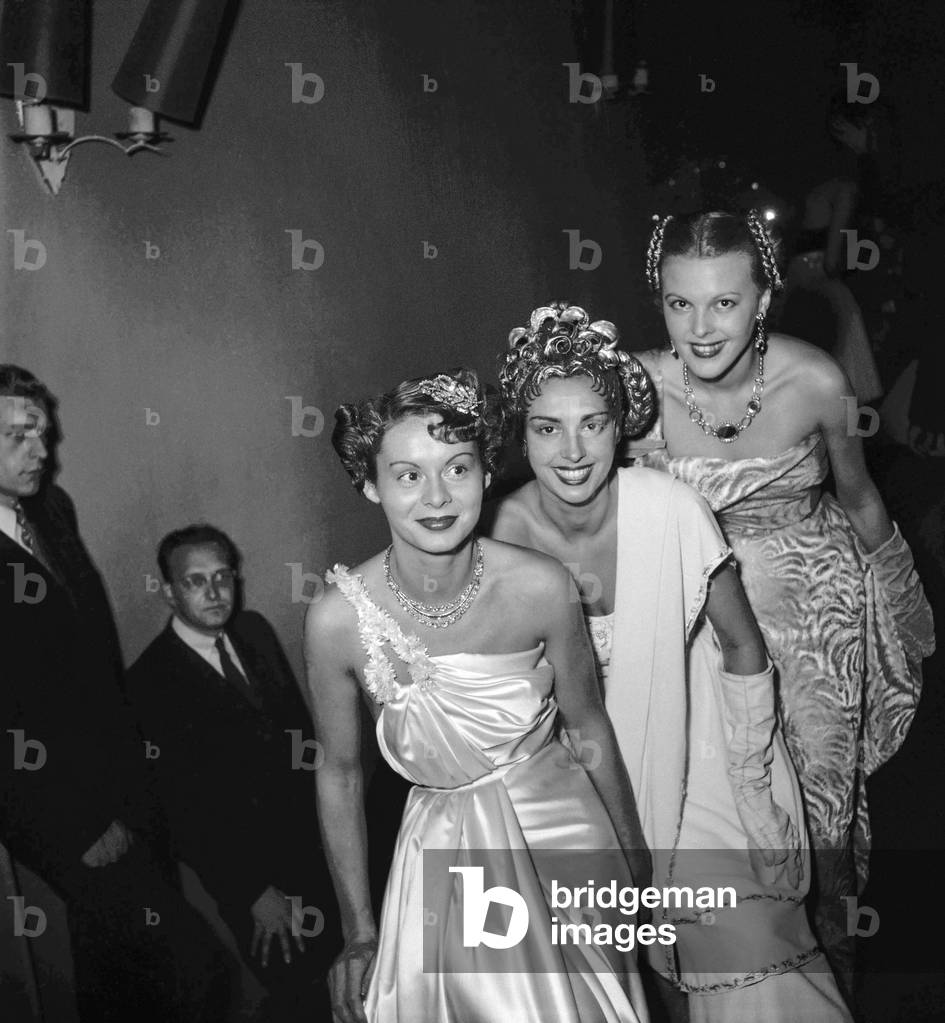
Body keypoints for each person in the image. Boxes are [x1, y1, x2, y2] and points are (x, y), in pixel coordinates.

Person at [491, 304, 852, 1023]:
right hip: (592, 778)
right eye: (546, 427)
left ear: (619, 423)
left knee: (741, 944)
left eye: (591, 422)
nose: (571, 450)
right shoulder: (506, 535)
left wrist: (753, 789)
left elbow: (743, 645)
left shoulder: (670, 506)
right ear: (519, 433)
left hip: (708, 753)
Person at [633, 210, 935, 1001]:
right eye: (678, 303)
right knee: (725, 832)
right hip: (701, 624)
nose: (699, 329)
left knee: (820, 826)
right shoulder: (633, 394)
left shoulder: (816, 382)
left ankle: (832, 988)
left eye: (724, 303)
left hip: (816, 620)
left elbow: (861, 500)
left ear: (763, 298)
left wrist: (902, 609)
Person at [304, 369, 651, 1023]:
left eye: (457, 468)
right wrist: (358, 929)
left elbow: (588, 727)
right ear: (370, 483)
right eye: (407, 474)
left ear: (486, 474)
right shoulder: (337, 621)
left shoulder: (542, 586)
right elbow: (340, 774)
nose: (436, 495)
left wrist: (633, 858)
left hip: (567, 839)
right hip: (442, 850)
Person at [0, 365, 230, 1022]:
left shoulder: (50, 508)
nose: (41, 451)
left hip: (125, 779)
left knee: (121, 981)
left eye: (42, 433)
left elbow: (85, 655)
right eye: (18, 436)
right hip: (60, 811)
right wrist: (73, 826)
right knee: (192, 966)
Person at [127, 524, 341, 1020]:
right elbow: (181, 812)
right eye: (195, 581)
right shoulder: (149, 683)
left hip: (314, 850)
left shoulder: (255, 632)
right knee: (299, 995)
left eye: (222, 576)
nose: (214, 591)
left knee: (349, 974)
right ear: (169, 591)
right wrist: (251, 893)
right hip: (254, 882)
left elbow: (300, 737)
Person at [778, 106, 883, 403]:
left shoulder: (812, 189)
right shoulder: (845, 189)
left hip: (797, 279)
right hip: (819, 279)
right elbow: (832, 259)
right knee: (844, 363)